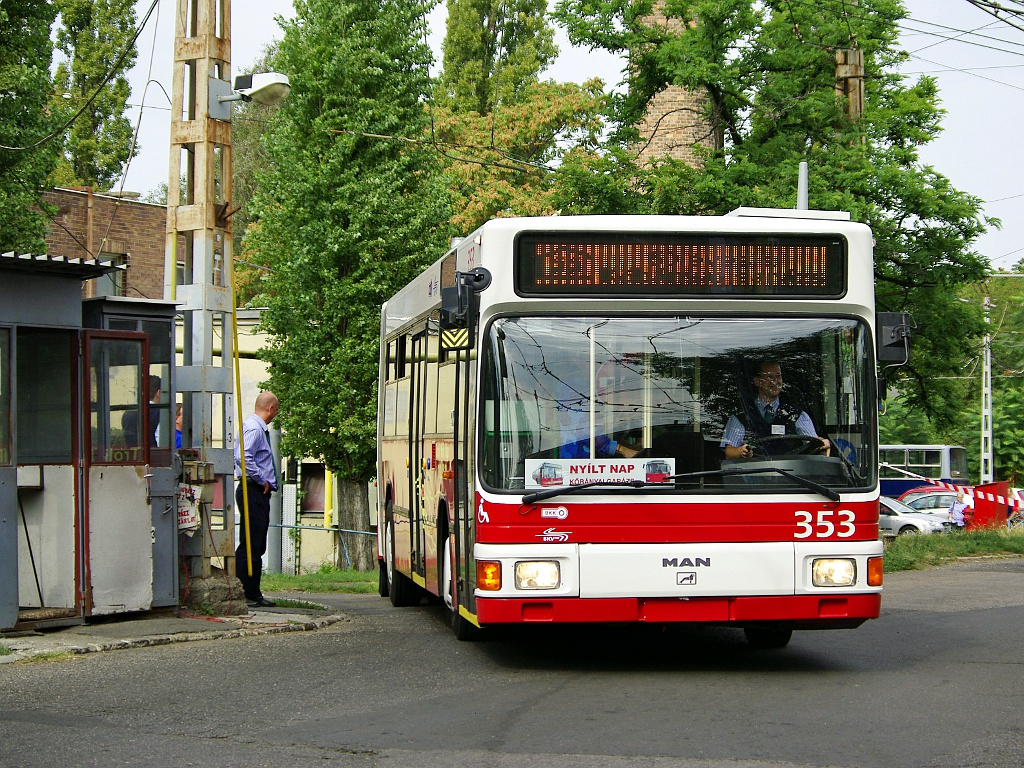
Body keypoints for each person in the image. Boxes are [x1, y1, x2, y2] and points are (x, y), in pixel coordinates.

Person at [721, 361, 830, 459]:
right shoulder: (742, 414)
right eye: (770, 376)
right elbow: (729, 452)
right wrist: (741, 451)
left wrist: (822, 443)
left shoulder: (796, 413)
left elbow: (813, 441)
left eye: (778, 376)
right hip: (753, 476)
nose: (776, 381)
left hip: (792, 476)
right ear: (757, 381)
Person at [234, 391, 280, 608]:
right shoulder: (255, 428)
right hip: (253, 490)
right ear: (270, 408)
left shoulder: (254, 426)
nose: (275, 415)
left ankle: (250, 591)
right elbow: (242, 456)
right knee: (252, 543)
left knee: (254, 542)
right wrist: (261, 479)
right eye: (276, 411)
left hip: (253, 490)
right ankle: (248, 593)